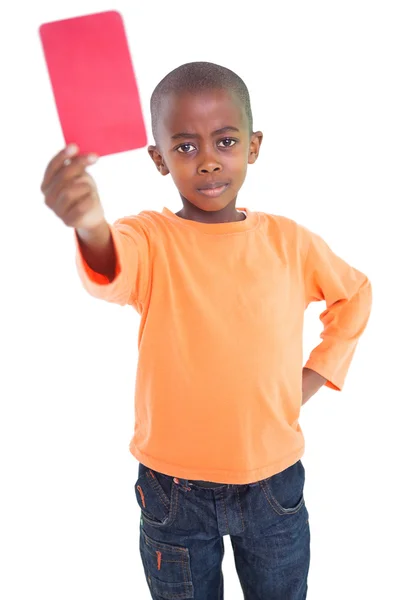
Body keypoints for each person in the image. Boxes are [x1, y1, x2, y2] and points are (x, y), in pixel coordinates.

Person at [40, 62, 372, 599]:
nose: (209, 161)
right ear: (159, 158)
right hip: (173, 492)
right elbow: (111, 266)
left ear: (253, 145)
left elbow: (354, 293)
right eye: (186, 147)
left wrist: (314, 375)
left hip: (274, 485)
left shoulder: (289, 241)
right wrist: (89, 224)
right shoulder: (149, 237)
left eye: (225, 140)